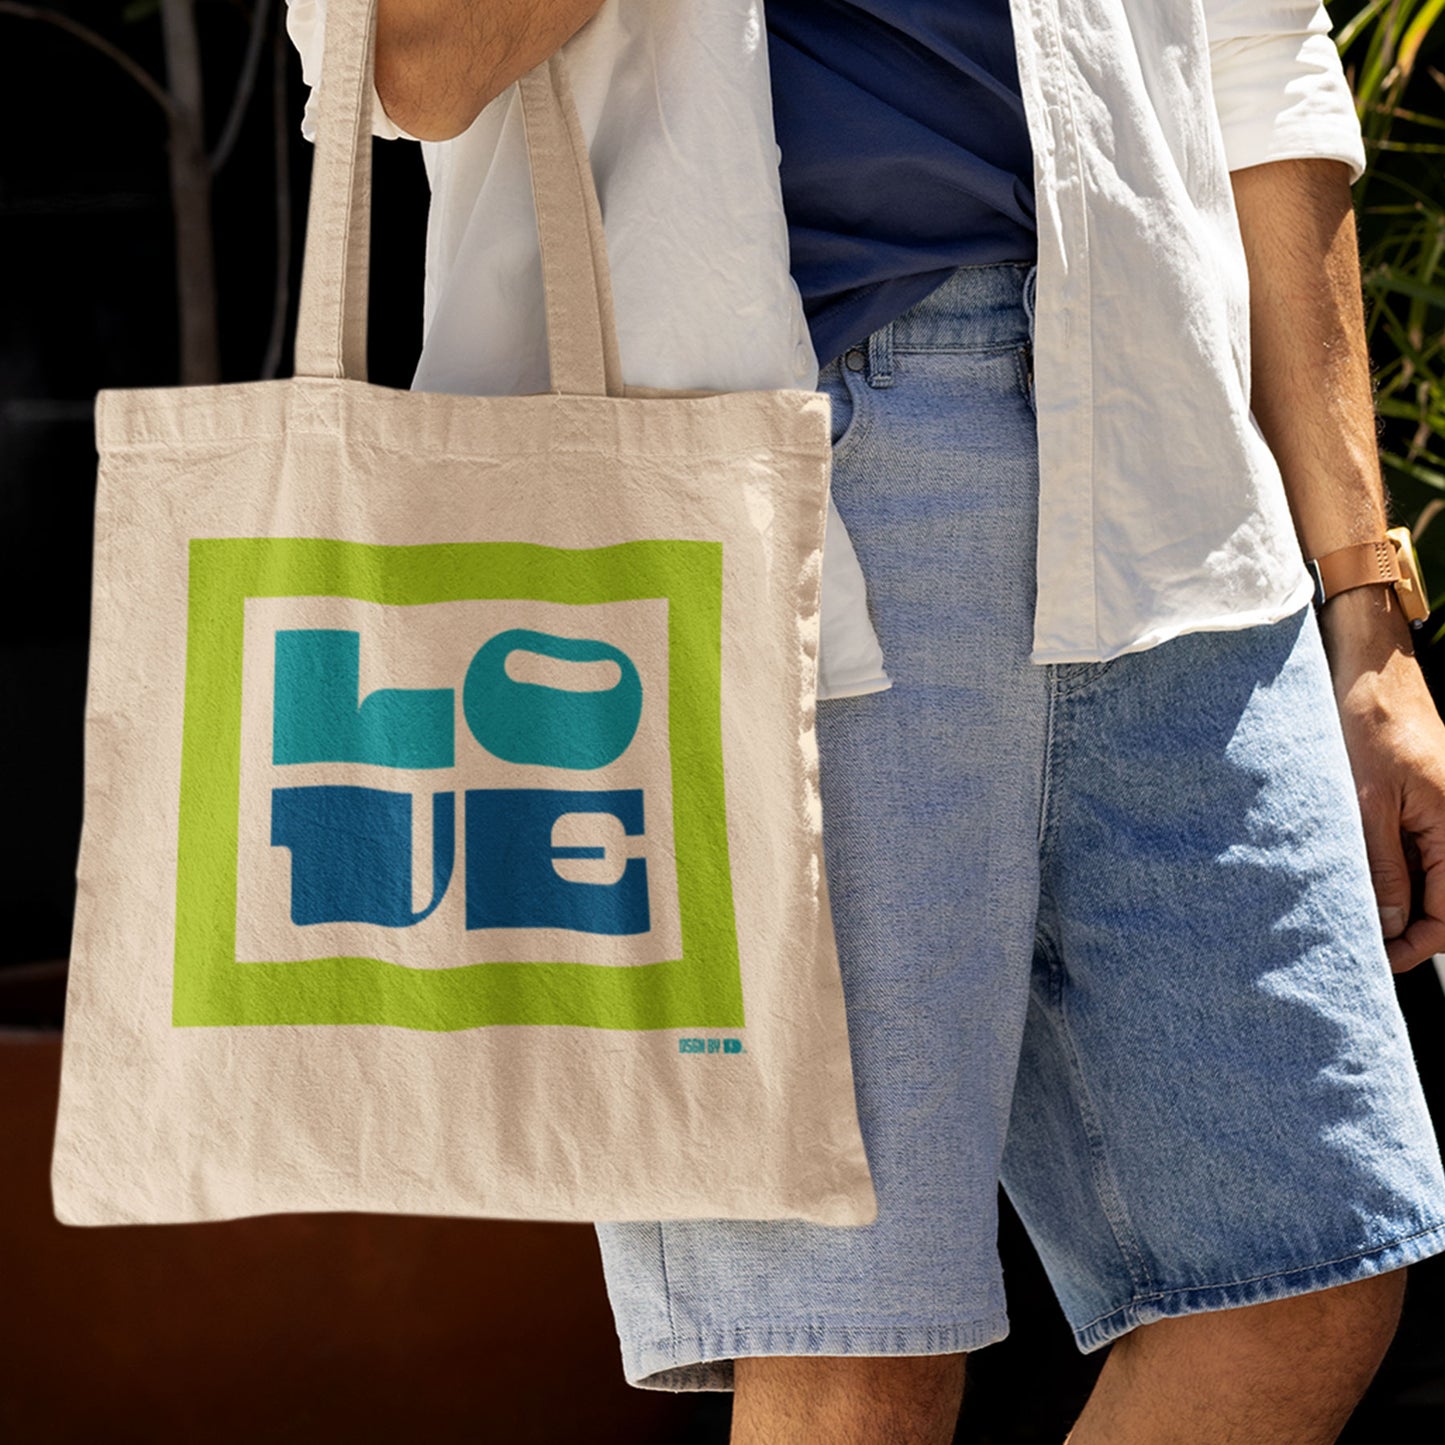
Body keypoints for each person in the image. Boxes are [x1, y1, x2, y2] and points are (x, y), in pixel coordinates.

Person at [288, 2, 1445, 1440]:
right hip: (761, 488)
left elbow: (1257, 62)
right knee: (852, 1363)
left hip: (1170, 471)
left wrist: (1363, 602)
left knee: (1302, 1264)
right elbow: (408, 60)